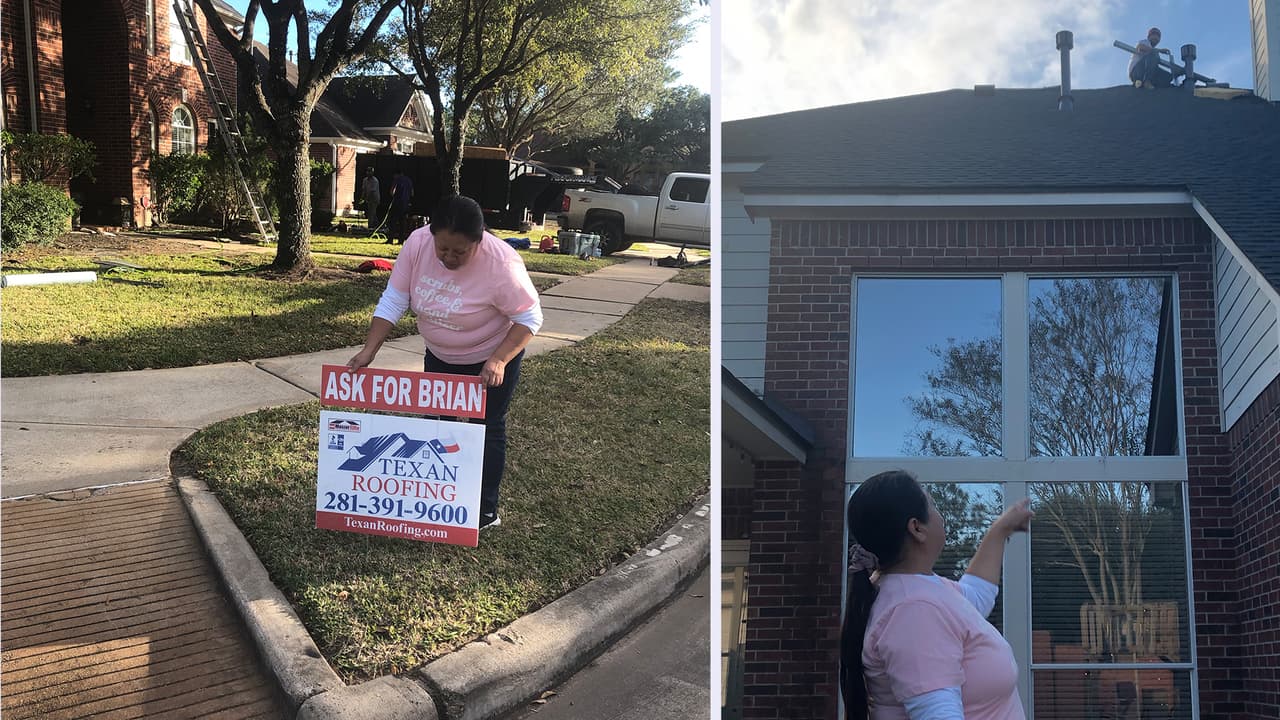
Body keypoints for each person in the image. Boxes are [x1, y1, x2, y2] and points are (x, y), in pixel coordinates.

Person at [347, 195, 542, 531]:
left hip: (491, 355)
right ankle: (439, 498)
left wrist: (498, 360)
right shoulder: (418, 243)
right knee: (435, 428)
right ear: (431, 235)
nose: (449, 257)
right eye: (443, 249)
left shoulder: (503, 265)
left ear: (479, 240)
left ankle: (484, 510)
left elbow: (529, 317)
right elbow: (395, 297)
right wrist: (369, 351)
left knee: (488, 428)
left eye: (460, 252)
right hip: (440, 354)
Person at [841, 470, 1035, 720]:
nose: (940, 513)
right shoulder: (914, 609)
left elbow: (975, 598)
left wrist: (999, 530)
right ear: (917, 528)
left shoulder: (916, 588)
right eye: (932, 503)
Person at [388, 169, 414, 244]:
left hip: (397, 203)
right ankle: (401, 240)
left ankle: (390, 239)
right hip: (405, 204)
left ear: (397, 174)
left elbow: (392, 191)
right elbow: (412, 193)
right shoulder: (409, 180)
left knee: (393, 222)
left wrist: (394, 196)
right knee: (403, 223)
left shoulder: (397, 180)